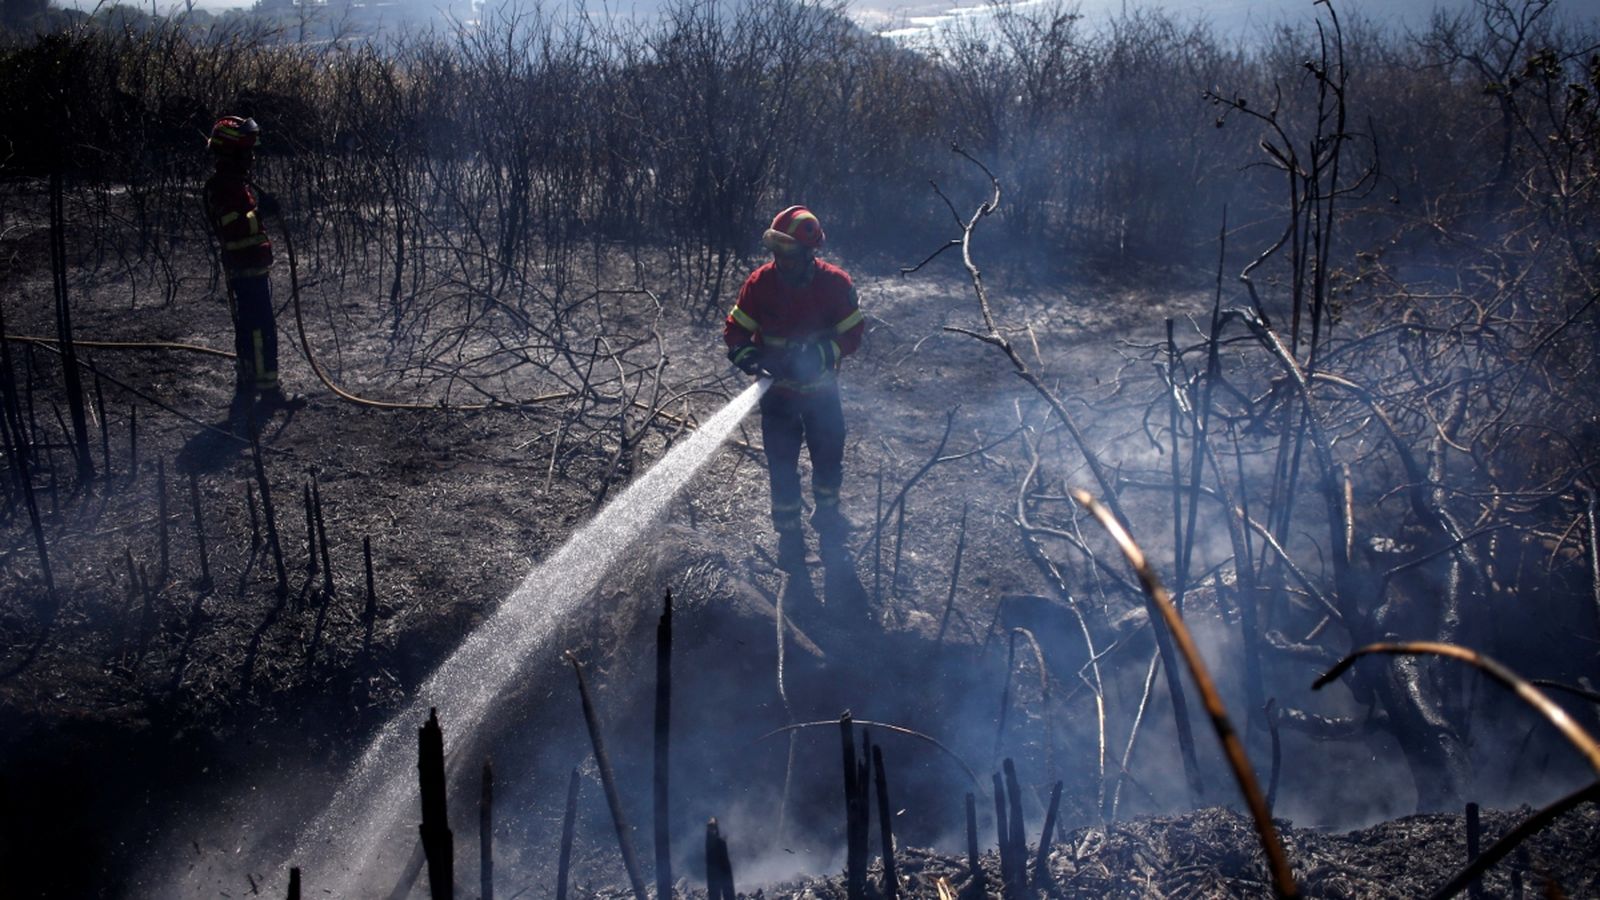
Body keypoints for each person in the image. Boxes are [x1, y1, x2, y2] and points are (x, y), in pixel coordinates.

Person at [724, 206, 865, 567]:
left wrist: (821, 354)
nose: (781, 262)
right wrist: (749, 356)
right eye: (777, 253)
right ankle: (789, 533)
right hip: (778, 395)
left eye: (789, 253)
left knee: (829, 458)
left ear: (809, 252)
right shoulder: (761, 283)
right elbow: (737, 329)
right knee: (782, 465)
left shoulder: (835, 284)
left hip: (822, 392)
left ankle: (828, 517)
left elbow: (853, 333)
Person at [203, 115, 299, 428]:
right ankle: (266, 390)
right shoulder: (224, 188)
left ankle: (248, 385)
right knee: (259, 332)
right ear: (232, 154)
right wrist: (260, 212)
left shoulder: (234, 185)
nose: (252, 158)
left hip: (252, 269)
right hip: (245, 271)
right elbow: (235, 226)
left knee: (251, 330)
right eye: (247, 152)